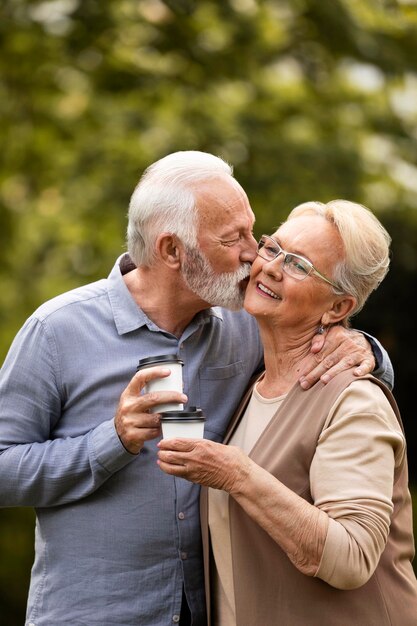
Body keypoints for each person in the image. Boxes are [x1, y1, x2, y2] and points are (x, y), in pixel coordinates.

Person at [0, 153, 391, 626]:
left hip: (210, 612)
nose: (253, 253)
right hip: (95, 614)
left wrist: (367, 349)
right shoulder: (57, 330)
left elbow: (314, 349)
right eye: (234, 239)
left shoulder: (247, 325)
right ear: (171, 251)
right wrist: (113, 440)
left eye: (253, 232)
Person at [158, 198, 417, 626]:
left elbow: (353, 557)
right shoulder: (252, 383)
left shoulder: (354, 402)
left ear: (338, 309)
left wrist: (239, 475)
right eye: (273, 248)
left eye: (299, 265)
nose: (273, 267)